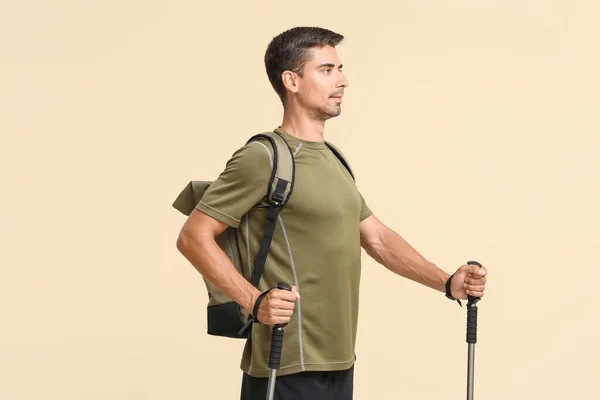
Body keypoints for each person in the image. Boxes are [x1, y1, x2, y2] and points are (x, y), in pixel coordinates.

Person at [176, 26, 488, 400]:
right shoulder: (263, 157)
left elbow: (376, 237)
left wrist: (447, 281)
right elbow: (193, 237)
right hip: (286, 359)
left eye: (340, 69)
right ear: (291, 80)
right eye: (326, 70)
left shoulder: (335, 160)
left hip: (339, 359)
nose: (342, 80)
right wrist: (254, 302)